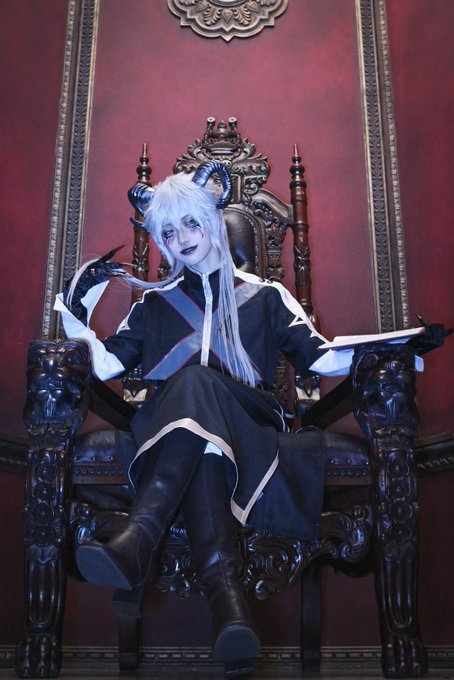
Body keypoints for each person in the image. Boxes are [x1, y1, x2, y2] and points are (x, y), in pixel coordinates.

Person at [54, 162, 360, 676]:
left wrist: (389, 348)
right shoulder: (153, 304)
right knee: (200, 442)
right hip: (174, 433)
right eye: (168, 233)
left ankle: (138, 539)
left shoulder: (266, 295)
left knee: (197, 387)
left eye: (191, 223)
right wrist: (75, 309)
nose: (182, 239)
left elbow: (321, 357)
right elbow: (104, 365)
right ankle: (230, 609)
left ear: (214, 220)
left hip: (249, 426)